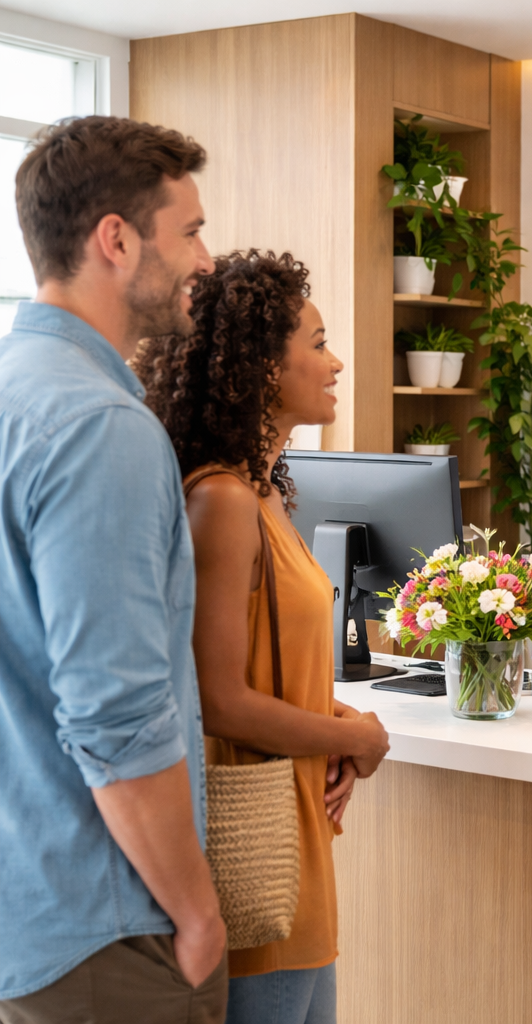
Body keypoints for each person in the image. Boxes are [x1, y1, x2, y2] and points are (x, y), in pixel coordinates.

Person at [0, 117, 228, 1021]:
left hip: (29, 910)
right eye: (193, 231)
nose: (207, 260)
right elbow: (117, 717)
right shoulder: (101, 429)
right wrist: (197, 910)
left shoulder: (16, 392)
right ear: (117, 240)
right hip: (108, 929)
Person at [135, 250, 390, 1024]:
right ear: (261, 367)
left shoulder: (265, 492)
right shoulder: (222, 500)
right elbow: (217, 699)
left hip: (298, 838)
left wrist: (335, 727)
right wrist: (359, 734)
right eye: (317, 343)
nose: (337, 360)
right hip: (253, 845)